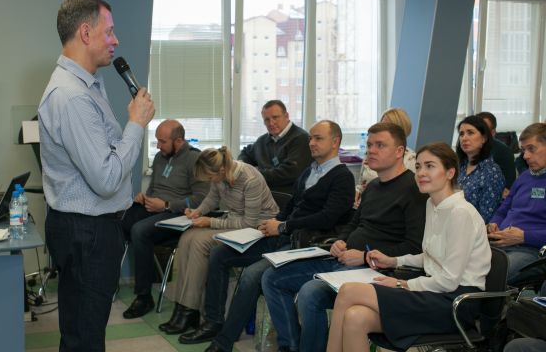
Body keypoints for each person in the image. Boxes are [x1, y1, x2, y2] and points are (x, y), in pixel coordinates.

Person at [38, 0, 155, 351]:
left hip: (84, 228)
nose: (116, 40)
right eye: (109, 31)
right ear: (86, 33)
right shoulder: (72, 96)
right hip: (87, 231)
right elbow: (106, 179)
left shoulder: (86, 86)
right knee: (85, 339)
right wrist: (136, 124)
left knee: (80, 334)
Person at [179, 121, 355, 351]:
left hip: (306, 244)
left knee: (252, 275)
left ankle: (224, 342)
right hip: (284, 236)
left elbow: (327, 218)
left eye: (318, 138)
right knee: (220, 254)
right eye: (310, 138)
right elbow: (291, 206)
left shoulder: (342, 177)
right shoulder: (309, 171)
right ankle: (213, 321)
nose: (311, 143)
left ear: (335, 142)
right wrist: (272, 224)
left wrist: (283, 226)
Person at [261, 122, 427, 352]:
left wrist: (365, 256)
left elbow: (414, 247)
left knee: (310, 293)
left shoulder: (414, 190)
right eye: (369, 145)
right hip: (344, 258)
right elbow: (354, 223)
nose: (371, 150)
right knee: (272, 277)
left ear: (400, 151)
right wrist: (342, 240)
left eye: (380, 145)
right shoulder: (374, 186)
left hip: (378, 270)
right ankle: (290, 346)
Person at [326, 142, 491, 352]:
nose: (421, 173)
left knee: (348, 291)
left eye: (430, 166)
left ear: (450, 173)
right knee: (355, 317)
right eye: (418, 166)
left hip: (456, 301)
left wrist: (401, 284)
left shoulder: (461, 213)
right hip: (435, 291)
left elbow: (449, 280)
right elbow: (432, 256)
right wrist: (393, 261)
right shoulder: (432, 204)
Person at [159, 147, 279, 335]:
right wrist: (198, 212)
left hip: (257, 229)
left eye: (209, 178)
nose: (209, 181)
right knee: (187, 237)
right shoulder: (219, 175)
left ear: (221, 170)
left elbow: (249, 223)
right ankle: (183, 307)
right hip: (235, 222)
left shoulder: (250, 179)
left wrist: (210, 222)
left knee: (199, 242)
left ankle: (190, 309)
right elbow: (212, 198)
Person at [121, 119, 209, 319]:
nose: (159, 146)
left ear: (178, 141)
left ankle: (144, 297)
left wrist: (167, 205)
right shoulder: (160, 158)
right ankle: (108, 281)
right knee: (117, 219)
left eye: (162, 142)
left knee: (139, 231)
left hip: (178, 214)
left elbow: (201, 199)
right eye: (157, 141)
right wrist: (144, 197)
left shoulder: (196, 160)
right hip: (155, 209)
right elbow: (154, 189)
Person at [487, 123, 546, 284]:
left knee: (490, 275)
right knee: (460, 262)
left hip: (532, 250)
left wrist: (524, 237)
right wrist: (494, 224)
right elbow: (503, 210)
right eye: (523, 150)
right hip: (501, 244)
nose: (525, 156)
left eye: (531, 149)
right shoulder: (524, 177)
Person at [239, 100, 312, 193]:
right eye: (267, 120)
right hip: (261, 192)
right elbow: (246, 153)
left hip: (286, 196)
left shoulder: (301, 138)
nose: (271, 123)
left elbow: (289, 173)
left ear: (286, 116)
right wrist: (241, 167)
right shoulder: (262, 140)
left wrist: (254, 174)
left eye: (275, 117)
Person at [355, 108, 417, 207]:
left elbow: (405, 191)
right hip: (365, 203)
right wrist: (358, 190)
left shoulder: (411, 158)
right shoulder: (370, 152)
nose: (372, 150)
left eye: (388, 125)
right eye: (381, 124)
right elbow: (362, 181)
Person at [456, 115, 505, 222]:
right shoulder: (459, 166)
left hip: (474, 228)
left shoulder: (492, 172)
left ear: (484, 138)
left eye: (470, 133)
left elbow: (486, 217)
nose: (464, 138)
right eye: (461, 134)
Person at [476, 111, 516, 194]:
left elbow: (509, 185)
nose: (479, 133)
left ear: (493, 133)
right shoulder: (466, 149)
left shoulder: (504, 151)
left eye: (483, 130)